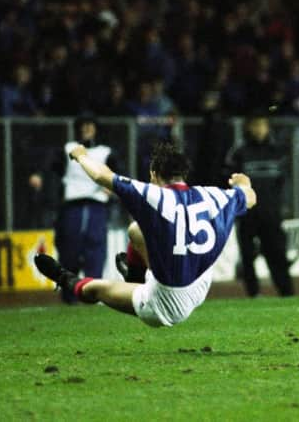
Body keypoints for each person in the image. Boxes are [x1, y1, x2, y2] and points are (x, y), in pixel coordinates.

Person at [34, 142, 257, 327]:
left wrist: (82, 156)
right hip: (200, 283)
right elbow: (249, 198)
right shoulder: (214, 195)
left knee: (96, 289)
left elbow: (103, 176)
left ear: (153, 173)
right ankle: (137, 276)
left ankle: (67, 279)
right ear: (183, 174)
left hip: (167, 303)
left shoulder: (153, 196)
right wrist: (243, 184)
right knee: (137, 231)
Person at [32, 114, 118, 304]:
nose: (87, 129)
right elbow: (50, 166)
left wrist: (112, 187)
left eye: (90, 125)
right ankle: (69, 295)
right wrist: (39, 175)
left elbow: (117, 173)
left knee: (95, 249)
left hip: (97, 204)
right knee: (70, 248)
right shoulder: (68, 149)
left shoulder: (105, 152)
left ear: (95, 128)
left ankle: (93, 293)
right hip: (72, 205)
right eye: (83, 125)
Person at [225, 111, 294, 297]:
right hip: (246, 214)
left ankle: (287, 293)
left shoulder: (277, 151)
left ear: (268, 127)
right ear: (248, 127)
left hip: (271, 214)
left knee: (277, 254)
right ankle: (253, 294)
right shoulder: (239, 152)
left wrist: (284, 205)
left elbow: (285, 181)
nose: (259, 129)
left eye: (262, 125)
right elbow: (229, 181)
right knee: (247, 256)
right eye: (255, 125)